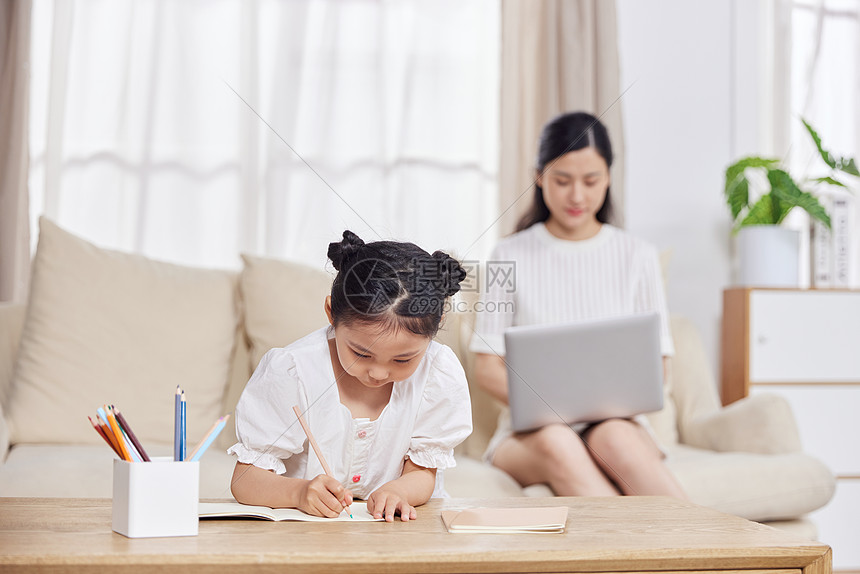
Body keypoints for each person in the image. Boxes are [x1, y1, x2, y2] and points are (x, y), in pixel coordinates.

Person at [470, 111, 686, 499]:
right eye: (562, 180)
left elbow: (660, 364)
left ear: (608, 178)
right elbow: (486, 367)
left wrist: (598, 407)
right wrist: (556, 408)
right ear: (539, 177)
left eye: (591, 181)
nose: (577, 196)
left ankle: (704, 551)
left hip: (618, 422)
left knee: (617, 438)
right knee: (559, 441)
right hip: (531, 432)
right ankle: (627, 556)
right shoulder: (506, 255)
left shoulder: (638, 255)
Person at [228, 230, 472, 521]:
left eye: (403, 359)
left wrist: (400, 492)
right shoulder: (292, 371)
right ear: (331, 313)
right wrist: (298, 493)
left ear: (437, 327)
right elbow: (245, 481)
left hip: (395, 535)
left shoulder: (437, 374)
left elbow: (422, 472)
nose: (379, 372)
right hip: (307, 537)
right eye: (361, 353)